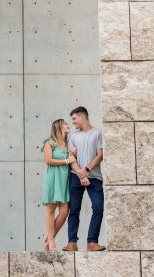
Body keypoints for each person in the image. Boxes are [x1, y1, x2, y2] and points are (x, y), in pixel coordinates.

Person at [63, 106, 105, 252]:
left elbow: (100, 155)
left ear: (82, 117)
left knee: (98, 207)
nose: (73, 122)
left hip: (94, 177)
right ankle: (72, 243)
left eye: (74, 118)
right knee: (74, 209)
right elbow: (71, 158)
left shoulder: (97, 132)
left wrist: (86, 170)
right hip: (76, 177)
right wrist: (81, 174)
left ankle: (92, 242)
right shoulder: (72, 137)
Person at [41, 119, 76, 251]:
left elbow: (73, 159)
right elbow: (48, 160)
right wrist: (67, 160)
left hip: (65, 180)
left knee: (64, 211)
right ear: (58, 127)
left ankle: (48, 239)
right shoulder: (49, 143)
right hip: (53, 178)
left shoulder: (68, 143)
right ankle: (51, 242)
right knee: (50, 209)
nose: (68, 126)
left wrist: (73, 153)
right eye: (65, 124)